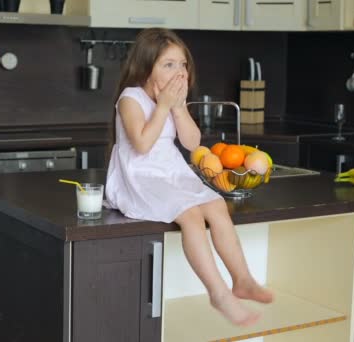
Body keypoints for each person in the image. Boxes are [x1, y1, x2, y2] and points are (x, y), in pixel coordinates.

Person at [104, 28, 273, 327]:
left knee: (217, 206)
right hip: (140, 176)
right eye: (169, 64)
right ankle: (218, 294)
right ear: (146, 66)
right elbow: (142, 145)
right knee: (192, 216)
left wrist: (179, 109)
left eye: (182, 64)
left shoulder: (173, 101)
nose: (179, 72)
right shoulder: (131, 99)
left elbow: (193, 143)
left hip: (171, 171)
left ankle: (242, 279)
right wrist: (165, 106)